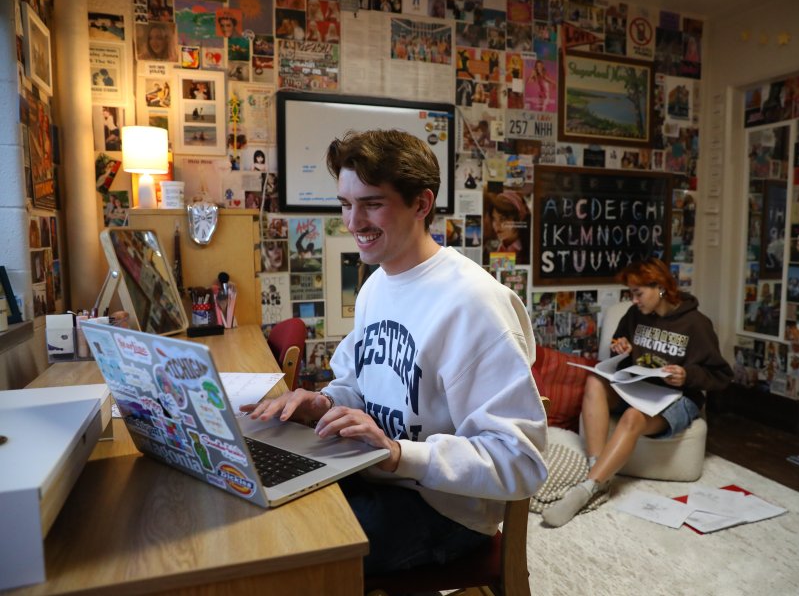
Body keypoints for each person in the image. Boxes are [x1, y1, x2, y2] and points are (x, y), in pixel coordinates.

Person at [242, 129, 548, 574]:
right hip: (373, 472)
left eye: (371, 203)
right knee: (263, 507)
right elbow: (359, 384)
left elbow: (520, 461)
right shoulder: (375, 285)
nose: (353, 222)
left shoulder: (475, 304)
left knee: (296, 562)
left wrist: (399, 454)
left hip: (444, 510)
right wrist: (324, 403)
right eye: (346, 204)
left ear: (421, 204)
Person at [542, 258, 733, 527]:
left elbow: (722, 376)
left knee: (632, 417)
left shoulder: (696, 324)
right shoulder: (635, 315)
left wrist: (688, 375)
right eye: (630, 293)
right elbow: (618, 352)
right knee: (595, 381)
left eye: (638, 293)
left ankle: (586, 489)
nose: (634, 300)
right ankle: (598, 472)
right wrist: (620, 350)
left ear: (661, 288)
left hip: (676, 398)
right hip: (639, 388)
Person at [486, 189, 530, 263]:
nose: (496, 225)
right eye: (494, 219)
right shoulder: (493, 248)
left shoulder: (528, 250)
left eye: (503, 219)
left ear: (519, 219)